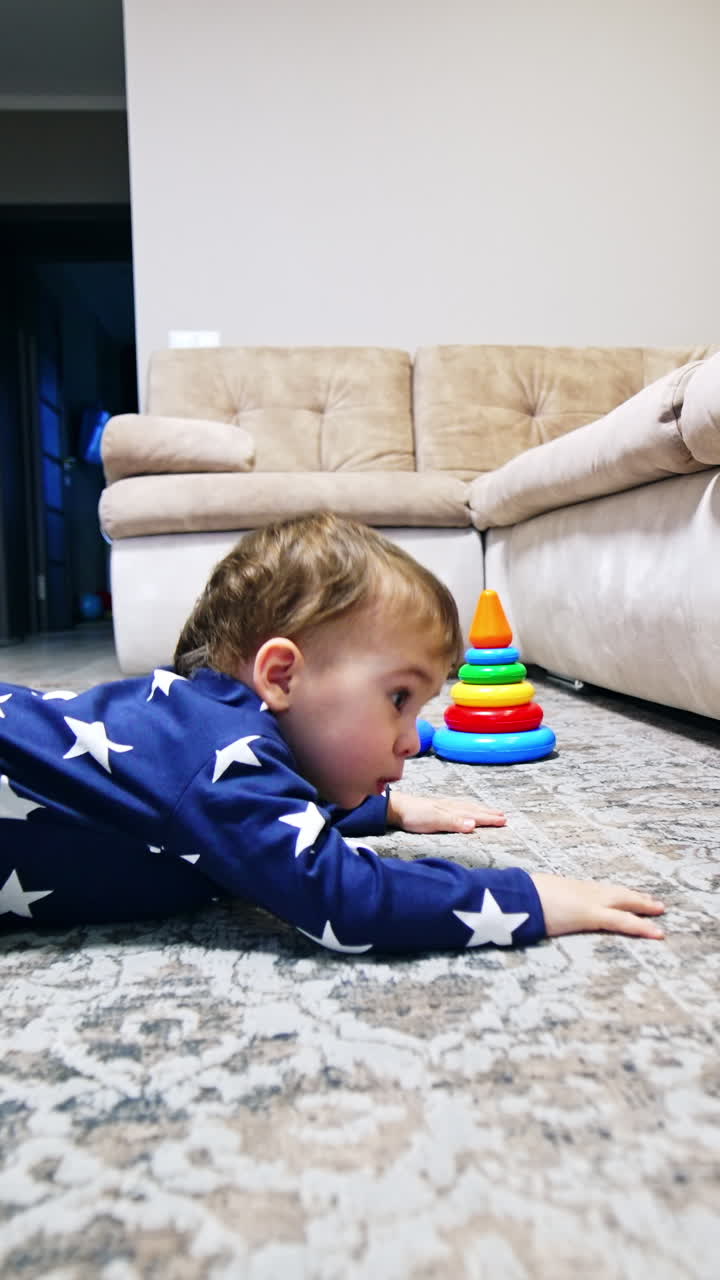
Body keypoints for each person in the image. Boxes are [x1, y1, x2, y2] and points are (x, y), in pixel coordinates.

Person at [0, 512, 665, 949]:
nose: (411, 739)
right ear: (282, 676)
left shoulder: (216, 745)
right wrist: (531, 897)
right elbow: (341, 898)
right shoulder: (210, 754)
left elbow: (255, 822)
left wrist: (383, 809)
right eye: (399, 697)